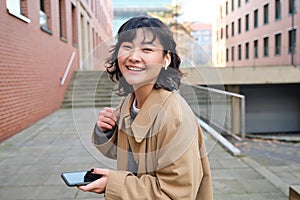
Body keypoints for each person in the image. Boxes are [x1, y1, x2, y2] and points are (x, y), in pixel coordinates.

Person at [78, 16, 213, 199]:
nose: (133, 57)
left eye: (147, 49)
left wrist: (113, 184)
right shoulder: (129, 101)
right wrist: (106, 131)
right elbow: (122, 153)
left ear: (166, 59)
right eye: (126, 47)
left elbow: (174, 194)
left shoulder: (174, 115)